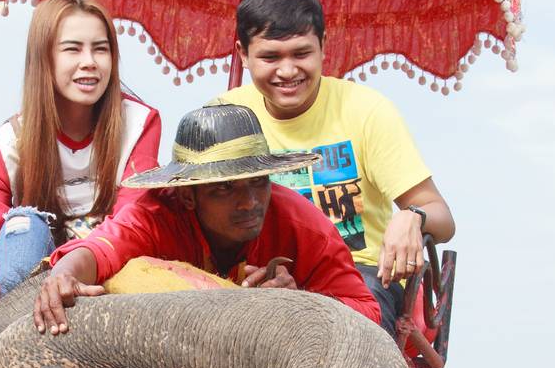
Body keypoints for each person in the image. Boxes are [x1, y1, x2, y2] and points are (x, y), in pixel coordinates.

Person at [215, 0, 455, 336]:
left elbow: (442, 217)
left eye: (301, 54)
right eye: (270, 57)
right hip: (256, 278)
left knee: (348, 327)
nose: (287, 71)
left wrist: (413, 217)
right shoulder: (223, 115)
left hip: (356, 278)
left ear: (324, 47)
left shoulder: (367, 111)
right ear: (243, 54)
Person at [33, 104, 381, 334]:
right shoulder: (156, 213)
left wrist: (300, 301)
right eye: (225, 189)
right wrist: (62, 277)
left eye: (259, 183)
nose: (249, 203)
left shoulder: (303, 226)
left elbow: (367, 311)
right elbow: (99, 251)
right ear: (187, 194)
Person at [0, 0, 161, 318]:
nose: (90, 62)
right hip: (33, 280)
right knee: (24, 230)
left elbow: (133, 216)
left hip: (111, 261)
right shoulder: (10, 142)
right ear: (44, 59)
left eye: (101, 49)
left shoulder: (138, 124)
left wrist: (78, 264)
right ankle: (20, 326)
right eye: (73, 49)